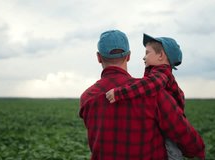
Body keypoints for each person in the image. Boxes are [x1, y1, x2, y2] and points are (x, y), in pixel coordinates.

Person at [79, 30, 205, 160]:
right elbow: (184, 135)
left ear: (99, 57)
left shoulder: (87, 97)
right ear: (128, 56)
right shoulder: (153, 93)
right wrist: (197, 150)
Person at [105, 33, 187, 160]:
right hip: (163, 122)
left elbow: (148, 85)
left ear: (161, 56)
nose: (144, 58)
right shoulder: (158, 73)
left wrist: (119, 93)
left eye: (147, 53)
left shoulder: (161, 73)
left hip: (170, 126)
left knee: (172, 152)